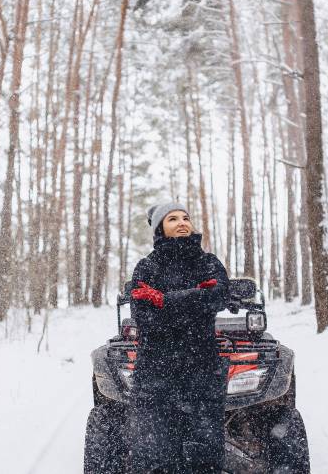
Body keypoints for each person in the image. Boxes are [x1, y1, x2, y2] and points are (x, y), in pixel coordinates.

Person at [126, 202, 230, 474]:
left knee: (205, 456)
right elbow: (145, 317)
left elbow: (218, 297)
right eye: (173, 219)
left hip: (202, 371)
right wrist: (196, 297)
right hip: (155, 374)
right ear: (161, 228)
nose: (183, 222)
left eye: (186, 217)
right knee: (155, 457)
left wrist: (163, 300)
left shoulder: (209, 262)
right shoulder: (146, 267)